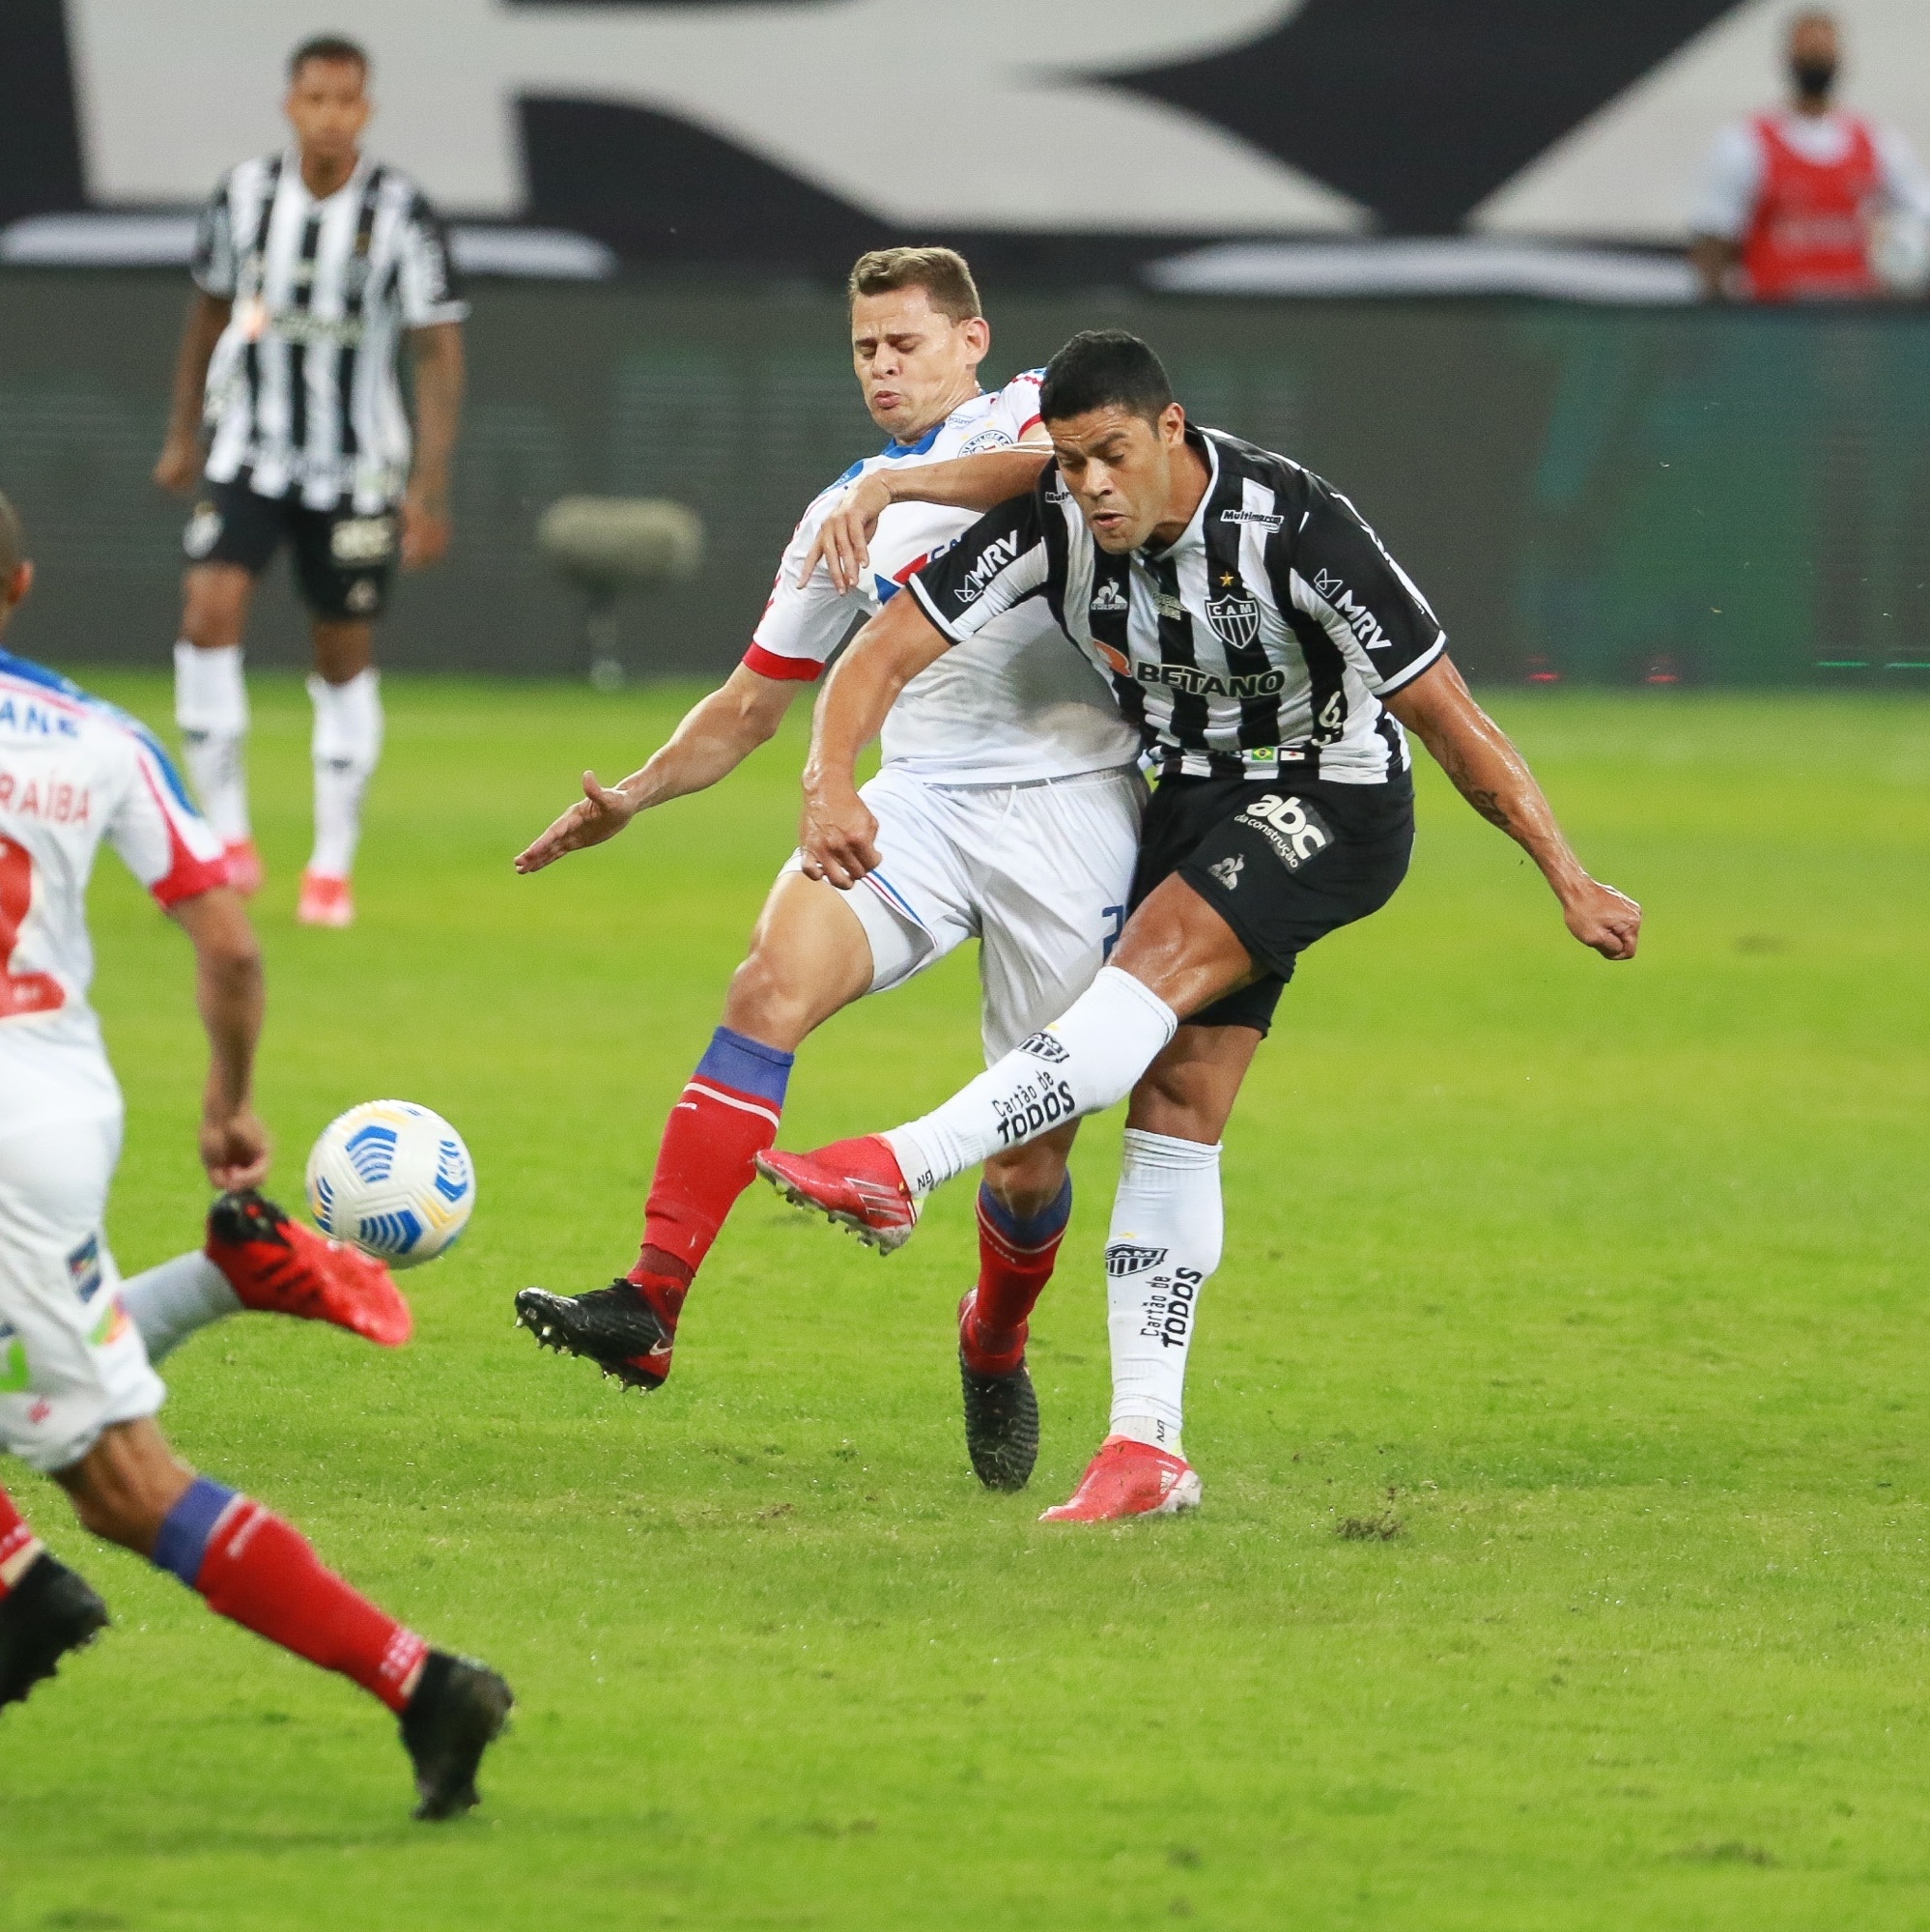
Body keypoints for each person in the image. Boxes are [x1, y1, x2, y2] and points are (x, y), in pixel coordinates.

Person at [757, 330, 1643, 1522]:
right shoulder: (1053, 518)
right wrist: (829, 773)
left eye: (1113, 456)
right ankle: (1146, 1445)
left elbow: (1447, 713)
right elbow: (883, 653)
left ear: (1170, 431)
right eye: (1069, 463)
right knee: (1174, 1106)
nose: (1093, 487)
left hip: (1330, 798)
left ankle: (902, 1164)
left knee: (1147, 970)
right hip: (1192, 801)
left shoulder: (1299, 525)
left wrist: (1566, 872)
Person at [511, 248, 1143, 1493]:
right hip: (914, 803)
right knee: (767, 985)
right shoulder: (844, 508)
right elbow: (751, 706)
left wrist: (906, 476)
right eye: (864, 350)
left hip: (1074, 810)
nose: (882, 369)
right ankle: (651, 1303)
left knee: (1031, 1160)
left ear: (972, 339)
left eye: (904, 343)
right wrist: (632, 794)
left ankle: (994, 1339)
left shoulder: (1035, 416)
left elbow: (1065, 474)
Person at [0, 495, 510, 1819]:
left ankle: (18, 1585)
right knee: (118, 1484)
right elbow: (228, 942)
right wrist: (228, 1109)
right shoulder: (95, 736)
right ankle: (421, 1682)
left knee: (120, 1478)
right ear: (20, 586)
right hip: (53, 1110)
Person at [153, 34, 468, 928]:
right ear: (291, 105)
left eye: (346, 101)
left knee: (341, 651)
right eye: (315, 99)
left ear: (365, 111)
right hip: (249, 453)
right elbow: (208, 312)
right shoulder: (244, 197)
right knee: (207, 611)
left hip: (357, 464)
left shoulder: (402, 213)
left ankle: (331, 861)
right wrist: (184, 435)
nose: (329, 115)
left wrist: (428, 486)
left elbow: (438, 346)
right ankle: (224, 838)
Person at [1689, 10, 1930, 301]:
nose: (1816, 61)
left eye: (1823, 51)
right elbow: (1714, 240)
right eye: (1808, 52)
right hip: (1774, 322)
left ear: (1840, 59)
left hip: (1852, 326)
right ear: (1788, 59)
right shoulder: (1744, 143)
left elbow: (1920, 212)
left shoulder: (1880, 144)